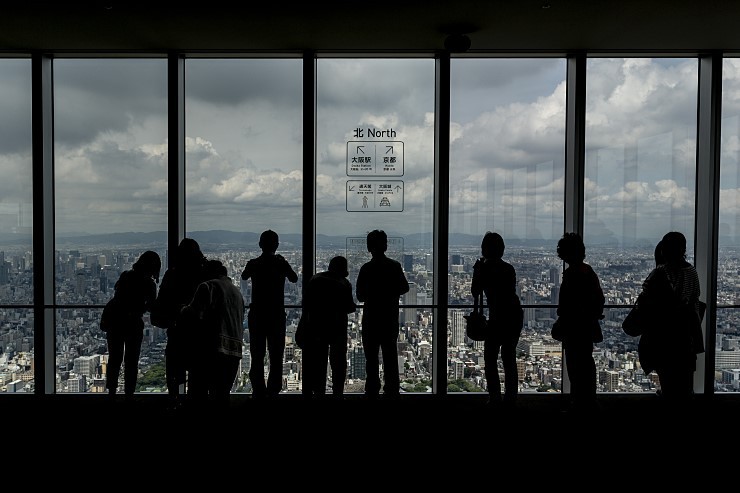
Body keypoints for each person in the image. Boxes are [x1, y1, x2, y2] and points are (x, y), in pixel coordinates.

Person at [635, 231, 702, 408]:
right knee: (685, 383)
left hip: (664, 335)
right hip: (686, 334)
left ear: (664, 250)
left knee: (668, 378)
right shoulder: (692, 271)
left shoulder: (661, 272)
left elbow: (646, 297)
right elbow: (696, 299)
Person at [150, 238, 208, 411]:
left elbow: (161, 305)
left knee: (174, 372)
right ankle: (196, 404)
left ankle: (174, 403)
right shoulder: (205, 274)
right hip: (201, 333)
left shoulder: (173, 274)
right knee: (198, 375)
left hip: (178, 330)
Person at [241, 229, 299, 398]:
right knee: (276, 355)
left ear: (260, 245)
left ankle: (258, 390)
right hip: (276, 315)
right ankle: (273, 390)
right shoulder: (280, 263)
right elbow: (294, 279)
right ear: (277, 245)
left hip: (257, 314)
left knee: (257, 354)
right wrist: (283, 262)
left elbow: (244, 277)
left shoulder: (253, 264)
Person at [181, 259, 245, 410]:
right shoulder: (237, 293)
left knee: (199, 396)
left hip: (210, 350)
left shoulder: (208, 286)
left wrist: (182, 309)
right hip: (234, 352)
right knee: (222, 397)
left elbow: (193, 314)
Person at [553, 232, 605, 414]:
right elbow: (599, 299)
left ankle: (578, 405)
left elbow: (566, 305)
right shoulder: (588, 272)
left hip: (573, 328)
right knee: (586, 366)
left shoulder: (571, 275)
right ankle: (589, 402)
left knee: (575, 368)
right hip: (587, 327)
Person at [471, 232, 523, 410]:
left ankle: (494, 398)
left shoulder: (484, 269)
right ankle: (510, 399)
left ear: (484, 249)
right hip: (513, 316)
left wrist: (477, 272)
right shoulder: (508, 268)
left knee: (490, 360)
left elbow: (475, 292)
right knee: (509, 359)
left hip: (496, 318)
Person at [355, 229, 410, 399]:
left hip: (371, 318)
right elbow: (405, 288)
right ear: (385, 245)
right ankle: (392, 389)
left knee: (371, 358)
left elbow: (360, 296)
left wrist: (374, 293)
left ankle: (372, 389)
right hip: (389, 317)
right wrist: (389, 292)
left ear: (368, 247)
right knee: (390, 356)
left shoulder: (366, 269)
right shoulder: (394, 266)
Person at [105, 250, 161, 401]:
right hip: (133, 324)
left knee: (114, 358)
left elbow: (117, 296)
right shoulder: (148, 283)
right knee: (131, 360)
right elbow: (151, 306)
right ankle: (129, 393)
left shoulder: (126, 275)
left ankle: (111, 392)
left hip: (115, 322)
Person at [301, 255, 356, 399]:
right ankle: (338, 393)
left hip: (317, 327)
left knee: (319, 362)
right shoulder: (344, 283)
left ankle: (318, 393)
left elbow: (306, 304)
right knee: (338, 363)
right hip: (337, 328)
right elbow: (349, 307)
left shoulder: (315, 279)